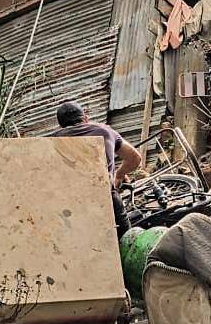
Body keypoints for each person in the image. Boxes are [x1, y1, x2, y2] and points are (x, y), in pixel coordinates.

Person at [48, 100, 142, 237]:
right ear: (85, 118)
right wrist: (120, 175)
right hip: (106, 198)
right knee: (126, 241)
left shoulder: (51, 140)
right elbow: (135, 158)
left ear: (60, 125)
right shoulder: (105, 131)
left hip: (70, 205)